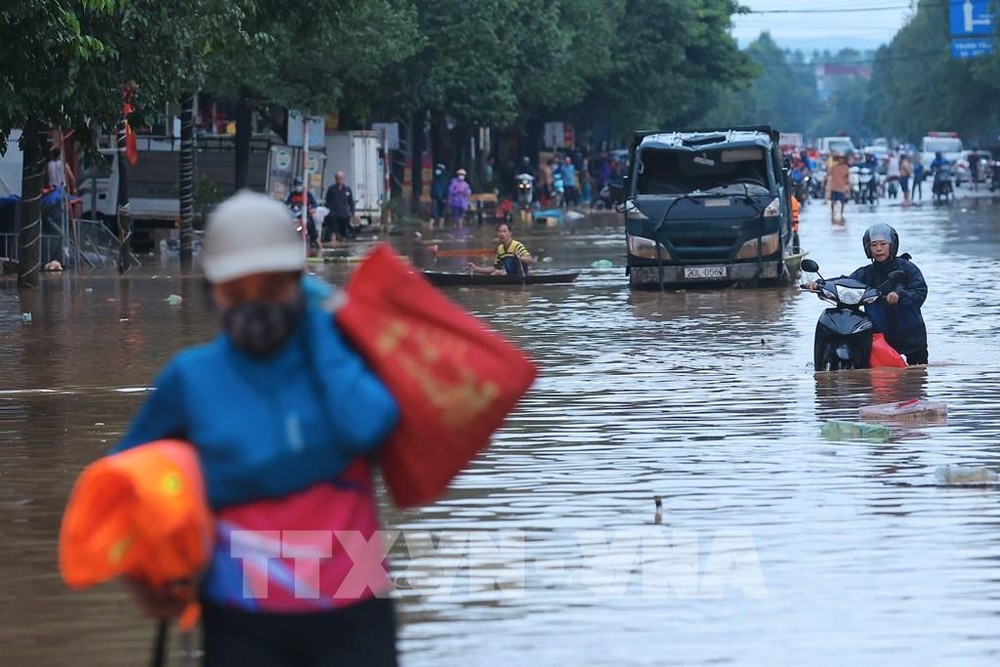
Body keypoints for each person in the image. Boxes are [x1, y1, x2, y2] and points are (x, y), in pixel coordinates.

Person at [114, 191, 401, 665]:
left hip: (357, 619)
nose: (255, 305)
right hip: (242, 626)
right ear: (211, 294)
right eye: (236, 291)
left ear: (298, 285)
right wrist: (147, 579)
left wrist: (324, 325)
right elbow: (121, 489)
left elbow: (372, 426)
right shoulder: (191, 379)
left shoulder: (339, 357)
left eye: (272, 288)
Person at [467, 222, 533, 276]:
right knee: (495, 273)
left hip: (521, 276)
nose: (502, 234)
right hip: (510, 277)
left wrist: (519, 258)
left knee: (498, 273)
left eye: (504, 231)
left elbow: (530, 260)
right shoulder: (500, 249)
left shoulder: (517, 245)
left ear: (510, 233)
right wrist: (476, 268)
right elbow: (495, 268)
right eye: (500, 232)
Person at [284, 177, 318, 251]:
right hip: (295, 217)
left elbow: (314, 204)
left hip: (305, 216)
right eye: (297, 184)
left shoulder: (308, 194)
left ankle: (314, 240)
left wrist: (312, 209)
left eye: (299, 184)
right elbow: (286, 204)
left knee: (311, 225)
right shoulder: (292, 195)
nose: (298, 186)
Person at [324, 170, 356, 242]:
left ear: (344, 178)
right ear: (335, 178)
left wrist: (352, 213)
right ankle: (333, 244)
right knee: (333, 231)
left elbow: (351, 202)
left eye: (341, 178)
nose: (340, 179)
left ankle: (342, 245)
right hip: (333, 214)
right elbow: (327, 201)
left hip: (344, 214)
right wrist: (329, 211)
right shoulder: (331, 189)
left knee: (343, 232)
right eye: (338, 178)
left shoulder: (347, 189)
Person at [825, 152, 850, 221]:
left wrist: (847, 186)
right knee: (833, 201)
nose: (840, 160)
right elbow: (828, 174)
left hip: (842, 187)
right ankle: (832, 213)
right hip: (834, 186)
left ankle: (841, 213)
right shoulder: (833, 167)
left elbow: (847, 177)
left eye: (842, 159)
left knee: (842, 201)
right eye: (839, 158)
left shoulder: (846, 168)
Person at [429, 163, 449, 229]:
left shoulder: (445, 180)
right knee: (433, 213)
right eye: (437, 169)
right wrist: (432, 197)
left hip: (443, 199)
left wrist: (445, 197)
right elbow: (432, 189)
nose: (438, 171)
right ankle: (430, 226)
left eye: (440, 169)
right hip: (435, 199)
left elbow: (446, 189)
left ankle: (441, 227)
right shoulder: (434, 179)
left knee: (442, 214)